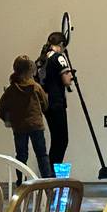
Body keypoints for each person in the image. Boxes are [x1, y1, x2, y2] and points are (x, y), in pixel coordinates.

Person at [0, 55, 52, 183]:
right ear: (31, 70)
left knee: (21, 156)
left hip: (19, 127)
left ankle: (21, 182)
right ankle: (47, 181)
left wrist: (8, 119)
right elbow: (45, 104)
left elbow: (0, 108)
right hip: (36, 125)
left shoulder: (11, 90)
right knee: (42, 154)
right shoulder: (36, 87)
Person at [36, 32, 73, 176]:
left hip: (45, 103)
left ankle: (49, 172)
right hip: (57, 102)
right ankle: (52, 173)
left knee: (55, 138)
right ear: (62, 44)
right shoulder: (59, 57)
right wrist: (70, 76)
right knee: (62, 139)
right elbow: (66, 80)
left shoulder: (41, 59)